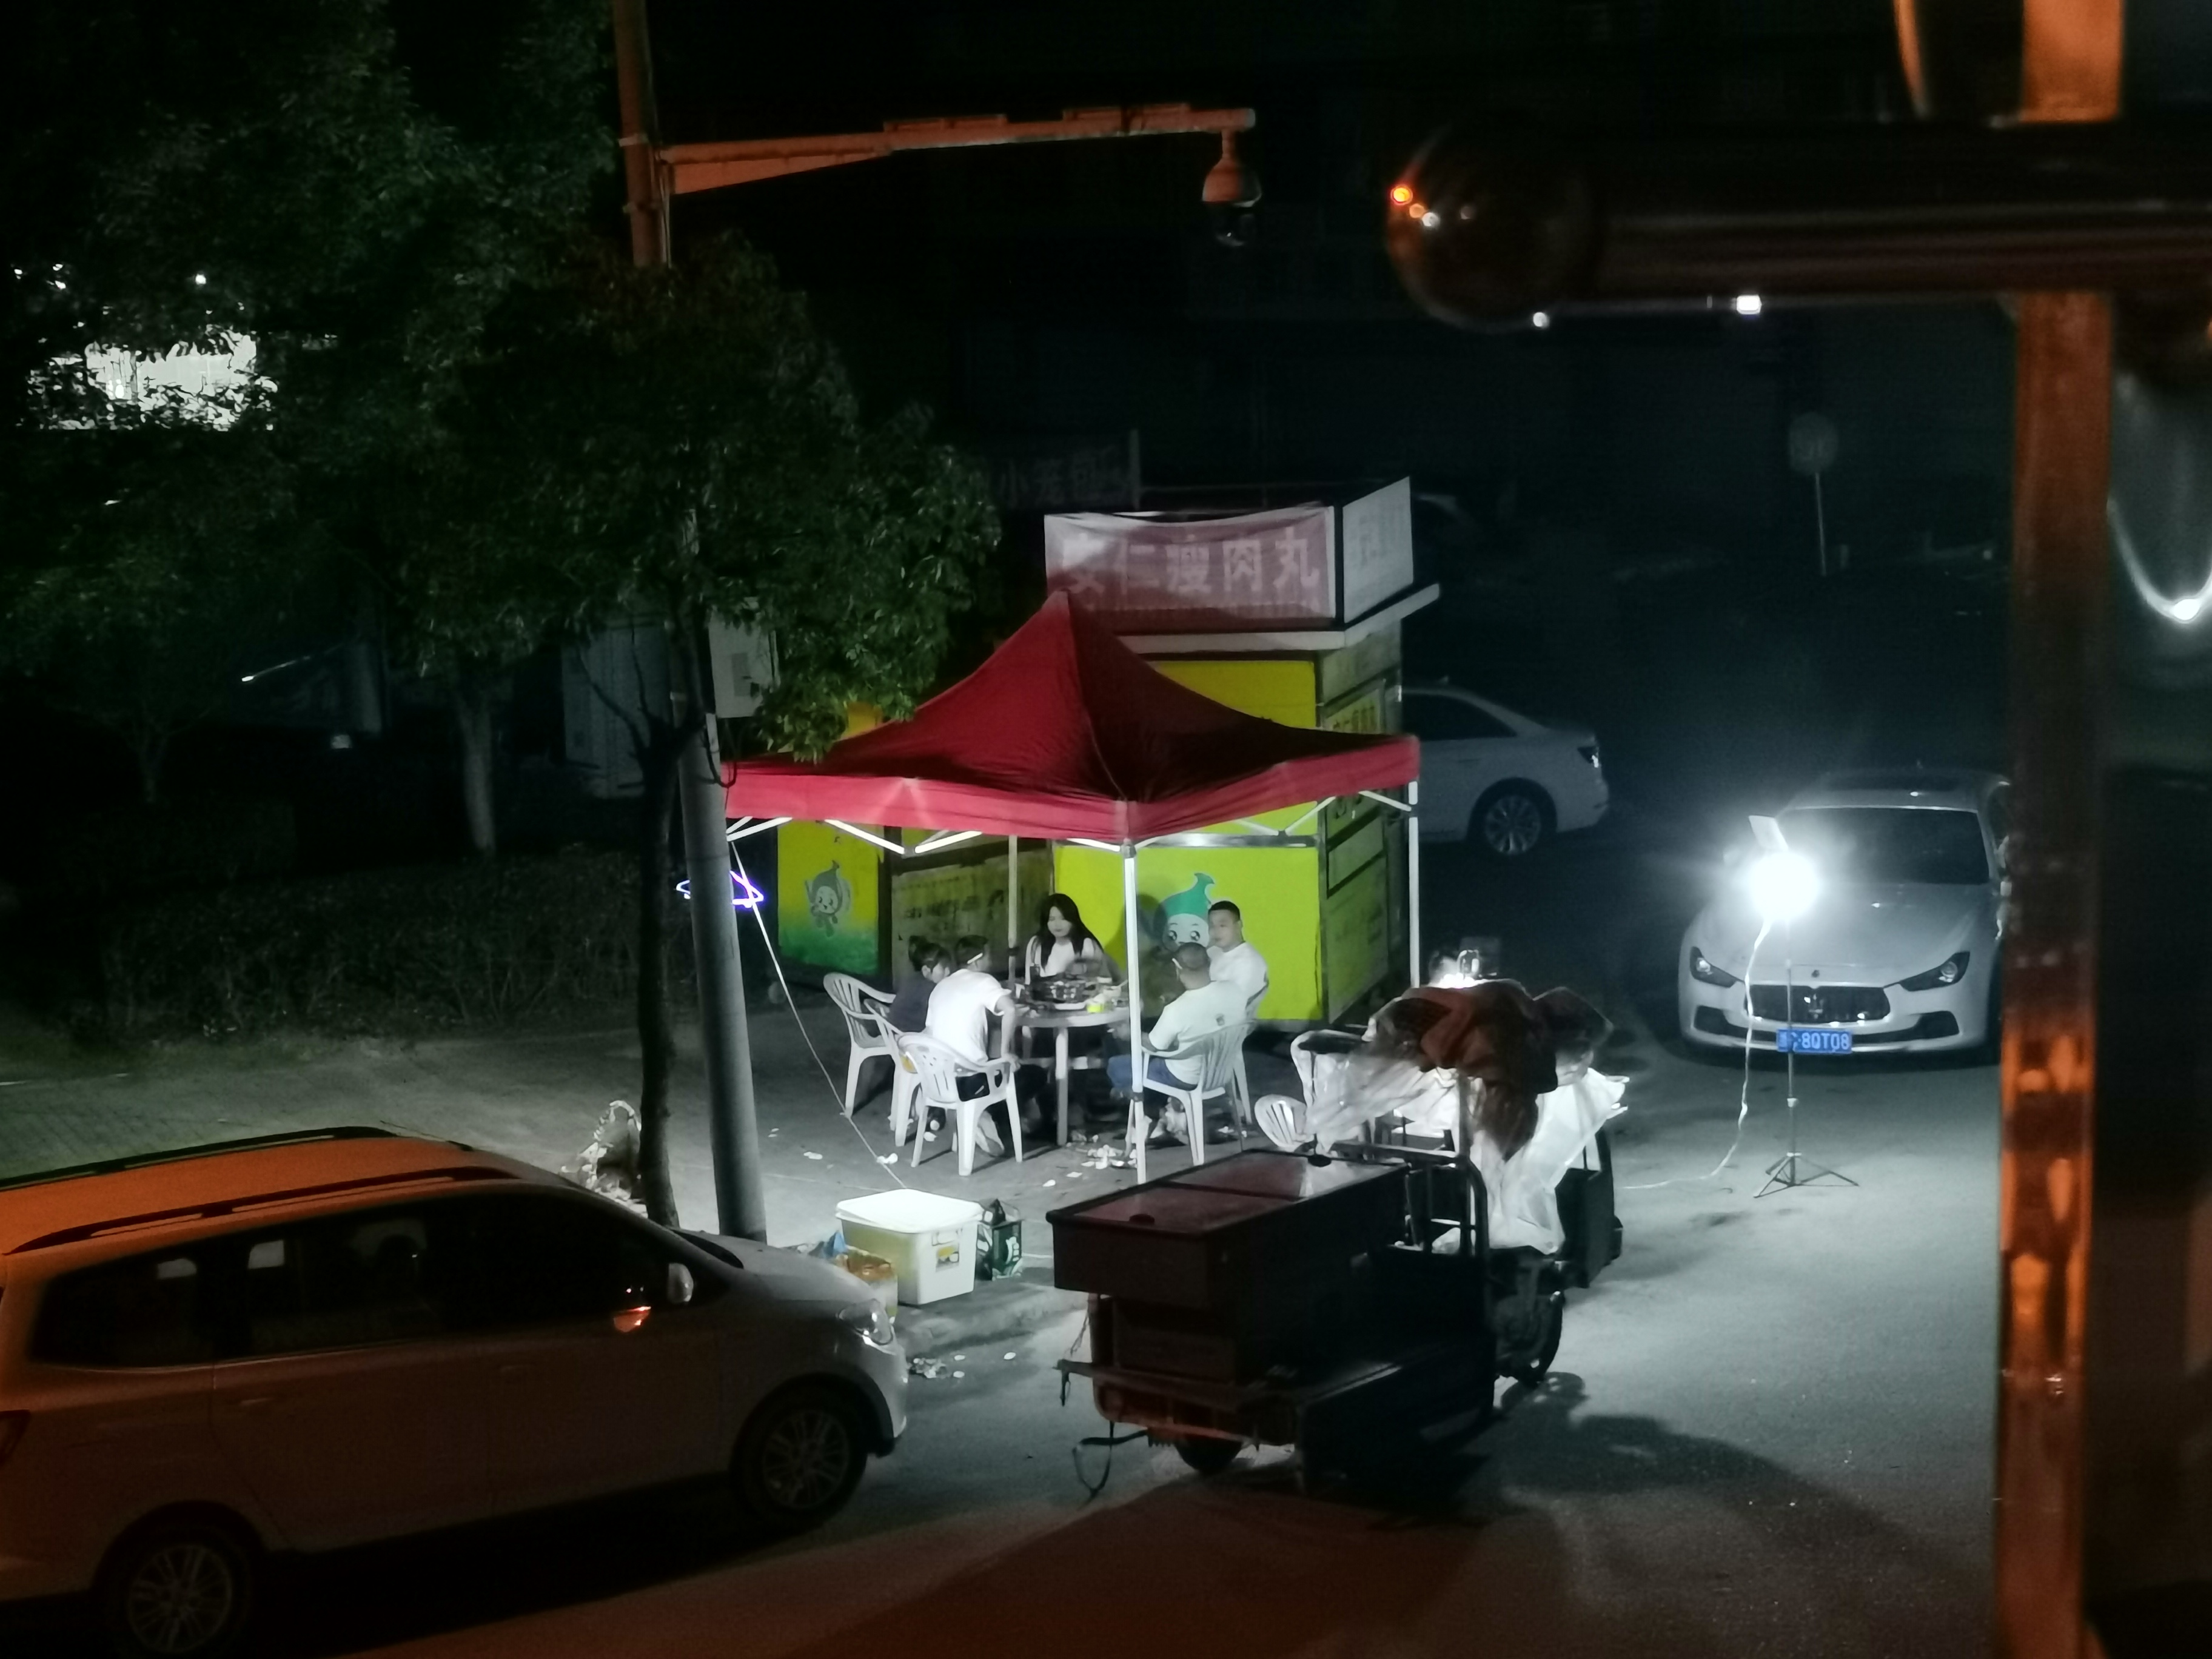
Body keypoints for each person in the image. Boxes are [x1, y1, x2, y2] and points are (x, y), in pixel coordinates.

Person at [1107, 943, 1247, 1144]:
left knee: (1117, 1065)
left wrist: (1130, 1034)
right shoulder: (1234, 990)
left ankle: (1151, 1116)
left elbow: (1154, 1045)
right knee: (1145, 1065)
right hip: (1222, 1073)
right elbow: (1209, 1015)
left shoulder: (1176, 1010)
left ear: (1176, 967)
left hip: (1185, 1077)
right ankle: (1167, 1114)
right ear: (1209, 963)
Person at [924, 935, 1014, 1154]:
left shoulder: (941, 987)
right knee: (1031, 1076)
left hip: (939, 1082)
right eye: (989, 956)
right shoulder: (984, 981)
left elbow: (929, 1031)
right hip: (971, 1081)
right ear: (978, 960)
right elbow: (1010, 1010)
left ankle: (971, 1119)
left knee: (997, 1069)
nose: (991, 961)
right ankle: (981, 1118)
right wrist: (1005, 1053)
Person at [1022, 893, 1115, 983]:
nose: (1057, 924)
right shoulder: (1037, 943)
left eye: (1063, 919)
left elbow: (1102, 980)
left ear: (1073, 920)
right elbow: (1029, 980)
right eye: (1051, 919)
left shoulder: (1087, 944)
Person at [1207, 899, 1269, 1014]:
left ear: (1239, 925)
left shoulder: (1250, 963)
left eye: (1222, 925)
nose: (1216, 931)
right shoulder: (1213, 952)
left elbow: (1235, 1008)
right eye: (1212, 926)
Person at [886, 939, 950, 1033]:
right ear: (926, 970)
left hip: (898, 1030)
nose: (948, 972)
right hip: (905, 1034)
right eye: (943, 968)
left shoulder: (916, 980)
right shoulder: (927, 988)